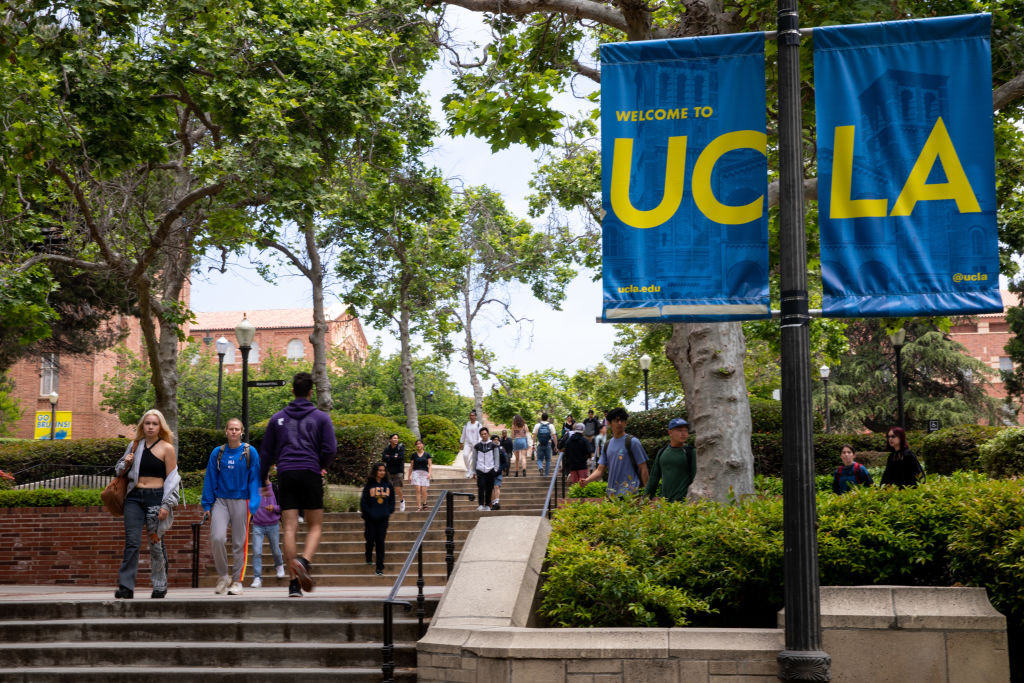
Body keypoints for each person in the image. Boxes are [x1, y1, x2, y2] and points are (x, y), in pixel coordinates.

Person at [260, 371, 337, 598]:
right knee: (315, 526)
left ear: (292, 391)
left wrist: (261, 478)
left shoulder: (278, 418)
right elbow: (331, 449)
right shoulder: (321, 418)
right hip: (310, 472)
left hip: (286, 473)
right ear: (311, 392)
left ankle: (293, 584)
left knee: (290, 527)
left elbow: (266, 452)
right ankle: (304, 560)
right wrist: (320, 465)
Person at [114, 409, 180, 600]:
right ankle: (126, 587)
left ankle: (160, 585)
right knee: (132, 543)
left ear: (161, 427)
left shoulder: (167, 448)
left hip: (156, 498)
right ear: (142, 425)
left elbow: (172, 479)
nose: (150, 427)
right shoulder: (134, 446)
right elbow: (118, 471)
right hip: (134, 498)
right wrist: (126, 462)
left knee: (155, 544)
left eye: (155, 423)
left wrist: (167, 505)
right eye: (147, 423)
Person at [201, 417, 261, 596]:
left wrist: (255, 503)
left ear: (241, 432)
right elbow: (210, 478)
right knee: (217, 537)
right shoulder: (217, 453)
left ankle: (237, 581)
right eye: (231, 429)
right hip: (220, 501)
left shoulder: (250, 452)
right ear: (226, 431)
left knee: (239, 543)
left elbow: (255, 478)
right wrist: (207, 504)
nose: (234, 432)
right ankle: (223, 576)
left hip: (242, 500)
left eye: (237, 429)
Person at [581, 407, 648, 497]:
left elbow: (643, 468)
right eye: (616, 420)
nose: (620, 423)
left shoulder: (633, 442)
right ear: (609, 423)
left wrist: (647, 492)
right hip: (612, 495)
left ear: (625, 423)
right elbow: (600, 470)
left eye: (622, 420)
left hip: (630, 495)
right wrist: (587, 480)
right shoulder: (607, 445)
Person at [644, 418, 696, 502]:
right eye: (679, 430)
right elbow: (654, 477)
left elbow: (695, 478)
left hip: (683, 504)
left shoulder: (691, 452)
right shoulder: (662, 452)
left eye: (686, 430)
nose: (683, 433)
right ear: (670, 432)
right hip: (663, 503)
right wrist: (646, 499)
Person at [360, 462, 394, 576]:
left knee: (380, 542)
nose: (382, 472)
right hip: (370, 518)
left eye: (383, 470)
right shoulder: (369, 485)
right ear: (375, 471)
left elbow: (392, 501)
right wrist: (369, 513)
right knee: (370, 539)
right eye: (380, 470)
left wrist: (388, 511)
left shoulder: (389, 485)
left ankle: (379, 567)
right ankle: (368, 555)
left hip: (383, 518)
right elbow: (363, 501)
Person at [250, 480, 285, 588]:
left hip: (273, 524)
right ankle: (257, 578)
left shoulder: (275, 488)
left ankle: (279, 565)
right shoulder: (254, 488)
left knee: (275, 549)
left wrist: (273, 507)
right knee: (256, 551)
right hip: (257, 525)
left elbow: (283, 507)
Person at [470, 426, 502, 510]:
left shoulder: (493, 446)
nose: (484, 435)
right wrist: (473, 471)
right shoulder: (477, 446)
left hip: (490, 469)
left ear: (488, 434)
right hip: (480, 469)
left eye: (485, 434)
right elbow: (474, 459)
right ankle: (480, 504)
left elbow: (496, 458)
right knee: (481, 487)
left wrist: (495, 469)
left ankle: (488, 505)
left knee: (489, 488)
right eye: (482, 434)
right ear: (480, 435)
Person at [382, 434, 407, 512]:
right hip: (389, 471)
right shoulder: (387, 448)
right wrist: (394, 457)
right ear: (390, 440)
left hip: (398, 471)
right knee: (387, 488)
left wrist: (389, 457)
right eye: (394, 438)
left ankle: (402, 500)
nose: (396, 439)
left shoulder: (400, 448)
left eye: (397, 438)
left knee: (397, 488)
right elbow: (383, 458)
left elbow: (400, 458)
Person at [407, 439, 432, 511]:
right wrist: (409, 476)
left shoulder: (427, 454)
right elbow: (411, 466)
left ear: (423, 445)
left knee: (424, 490)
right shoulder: (413, 455)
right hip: (416, 473)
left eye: (420, 444)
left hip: (425, 473)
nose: (418, 445)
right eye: (417, 444)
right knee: (418, 489)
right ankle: (419, 506)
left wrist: (429, 473)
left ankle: (424, 503)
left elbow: (430, 465)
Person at [488, 434, 511, 510]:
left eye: (497, 439)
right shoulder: (488, 449)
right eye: (494, 439)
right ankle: (493, 503)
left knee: (497, 486)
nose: (496, 440)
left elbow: (505, 462)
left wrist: (499, 469)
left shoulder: (501, 449)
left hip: (498, 471)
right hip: (490, 471)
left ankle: (496, 502)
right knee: (491, 488)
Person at [532, 412, 558, 478]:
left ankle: (540, 467)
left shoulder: (537, 425)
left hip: (540, 444)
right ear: (547, 418)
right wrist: (556, 445)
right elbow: (554, 436)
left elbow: (534, 436)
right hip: (548, 444)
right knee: (548, 460)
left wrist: (533, 444)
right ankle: (546, 475)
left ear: (541, 418)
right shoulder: (551, 426)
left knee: (539, 459)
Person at [459, 410, 483, 479]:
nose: (471, 417)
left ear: (475, 416)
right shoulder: (467, 424)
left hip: (476, 444)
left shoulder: (478, 424)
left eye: (473, 415)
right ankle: (469, 470)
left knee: (474, 459)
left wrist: (479, 444)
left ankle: (473, 472)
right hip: (467, 443)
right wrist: (461, 442)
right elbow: (463, 433)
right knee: (465, 455)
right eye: (470, 415)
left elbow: (480, 435)